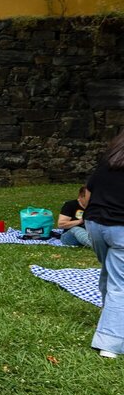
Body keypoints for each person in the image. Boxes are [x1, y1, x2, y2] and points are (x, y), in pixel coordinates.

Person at [85, 129, 124, 358]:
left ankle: (108, 315)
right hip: (120, 228)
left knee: (110, 271)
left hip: (95, 224)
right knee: (121, 284)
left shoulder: (108, 162)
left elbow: (89, 193)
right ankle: (109, 344)